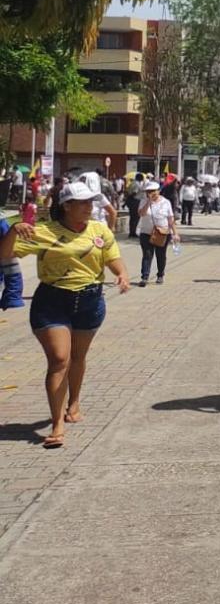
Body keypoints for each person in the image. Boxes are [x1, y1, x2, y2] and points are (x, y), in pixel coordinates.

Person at [0, 181, 130, 448]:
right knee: (60, 359)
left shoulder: (99, 229)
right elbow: (5, 254)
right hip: (52, 302)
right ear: (66, 206)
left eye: (90, 202)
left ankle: (74, 402)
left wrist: (122, 274)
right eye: (82, 203)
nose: (89, 207)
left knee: (78, 357)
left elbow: (111, 257)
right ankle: (57, 423)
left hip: (90, 301)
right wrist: (14, 230)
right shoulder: (44, 231)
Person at [136, 181, 177, 287]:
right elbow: (141, 214)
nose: (151, 193)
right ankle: (144, 277)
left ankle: (160, 275)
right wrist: (148, 202)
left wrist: (175, 233)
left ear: (158, 191)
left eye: (153, 191)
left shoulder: (166, 202)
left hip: (162, 233)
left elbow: (170, 218)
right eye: (148, 192)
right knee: (147, 255)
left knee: (161, 255)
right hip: (146, 232)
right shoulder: (143, 201)